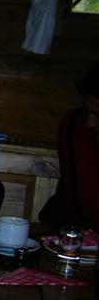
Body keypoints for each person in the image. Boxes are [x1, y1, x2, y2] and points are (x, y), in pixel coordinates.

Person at [39, 65, 99, 231]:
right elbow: (86, 194)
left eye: (98, 116)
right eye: (88, 112)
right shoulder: (76, 125)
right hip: (72, 229)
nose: (90, 122)